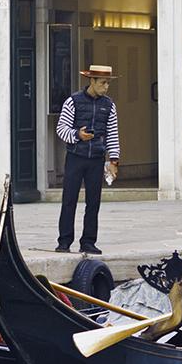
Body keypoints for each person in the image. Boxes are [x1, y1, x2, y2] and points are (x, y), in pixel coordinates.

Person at [54, 64, 121, 255]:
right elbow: (61, 129)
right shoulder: (72, 101)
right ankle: (64, 241)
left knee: (94, 202)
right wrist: (77, 135)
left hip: (96, 158)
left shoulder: (109, 105)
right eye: (103, 83)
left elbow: (112, 134)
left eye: (108, 83)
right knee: (69, 200)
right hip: (76, 156)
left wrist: (114, 161)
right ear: (91, 81)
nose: (106, 87)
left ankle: (88, 242)